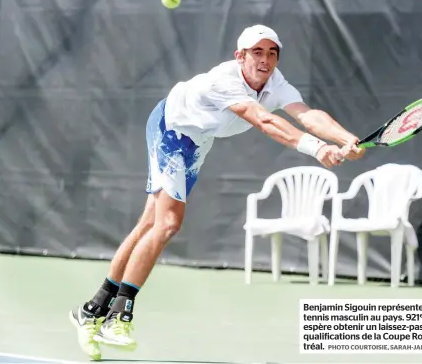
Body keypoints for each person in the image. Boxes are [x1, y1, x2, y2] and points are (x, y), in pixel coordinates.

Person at [69, 24, 365, 360]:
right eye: (257, 52)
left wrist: (345, 139)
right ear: (239, 56)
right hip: (172, 128)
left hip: (198, 139)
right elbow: (264, 121)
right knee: (167, 224)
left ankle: (92, 309)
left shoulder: (275, 82)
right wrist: (315, 149)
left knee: (149, 225)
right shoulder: (225, 80)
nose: (265, 59)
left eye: (272, 53)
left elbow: (308, 114)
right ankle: (119, 314)